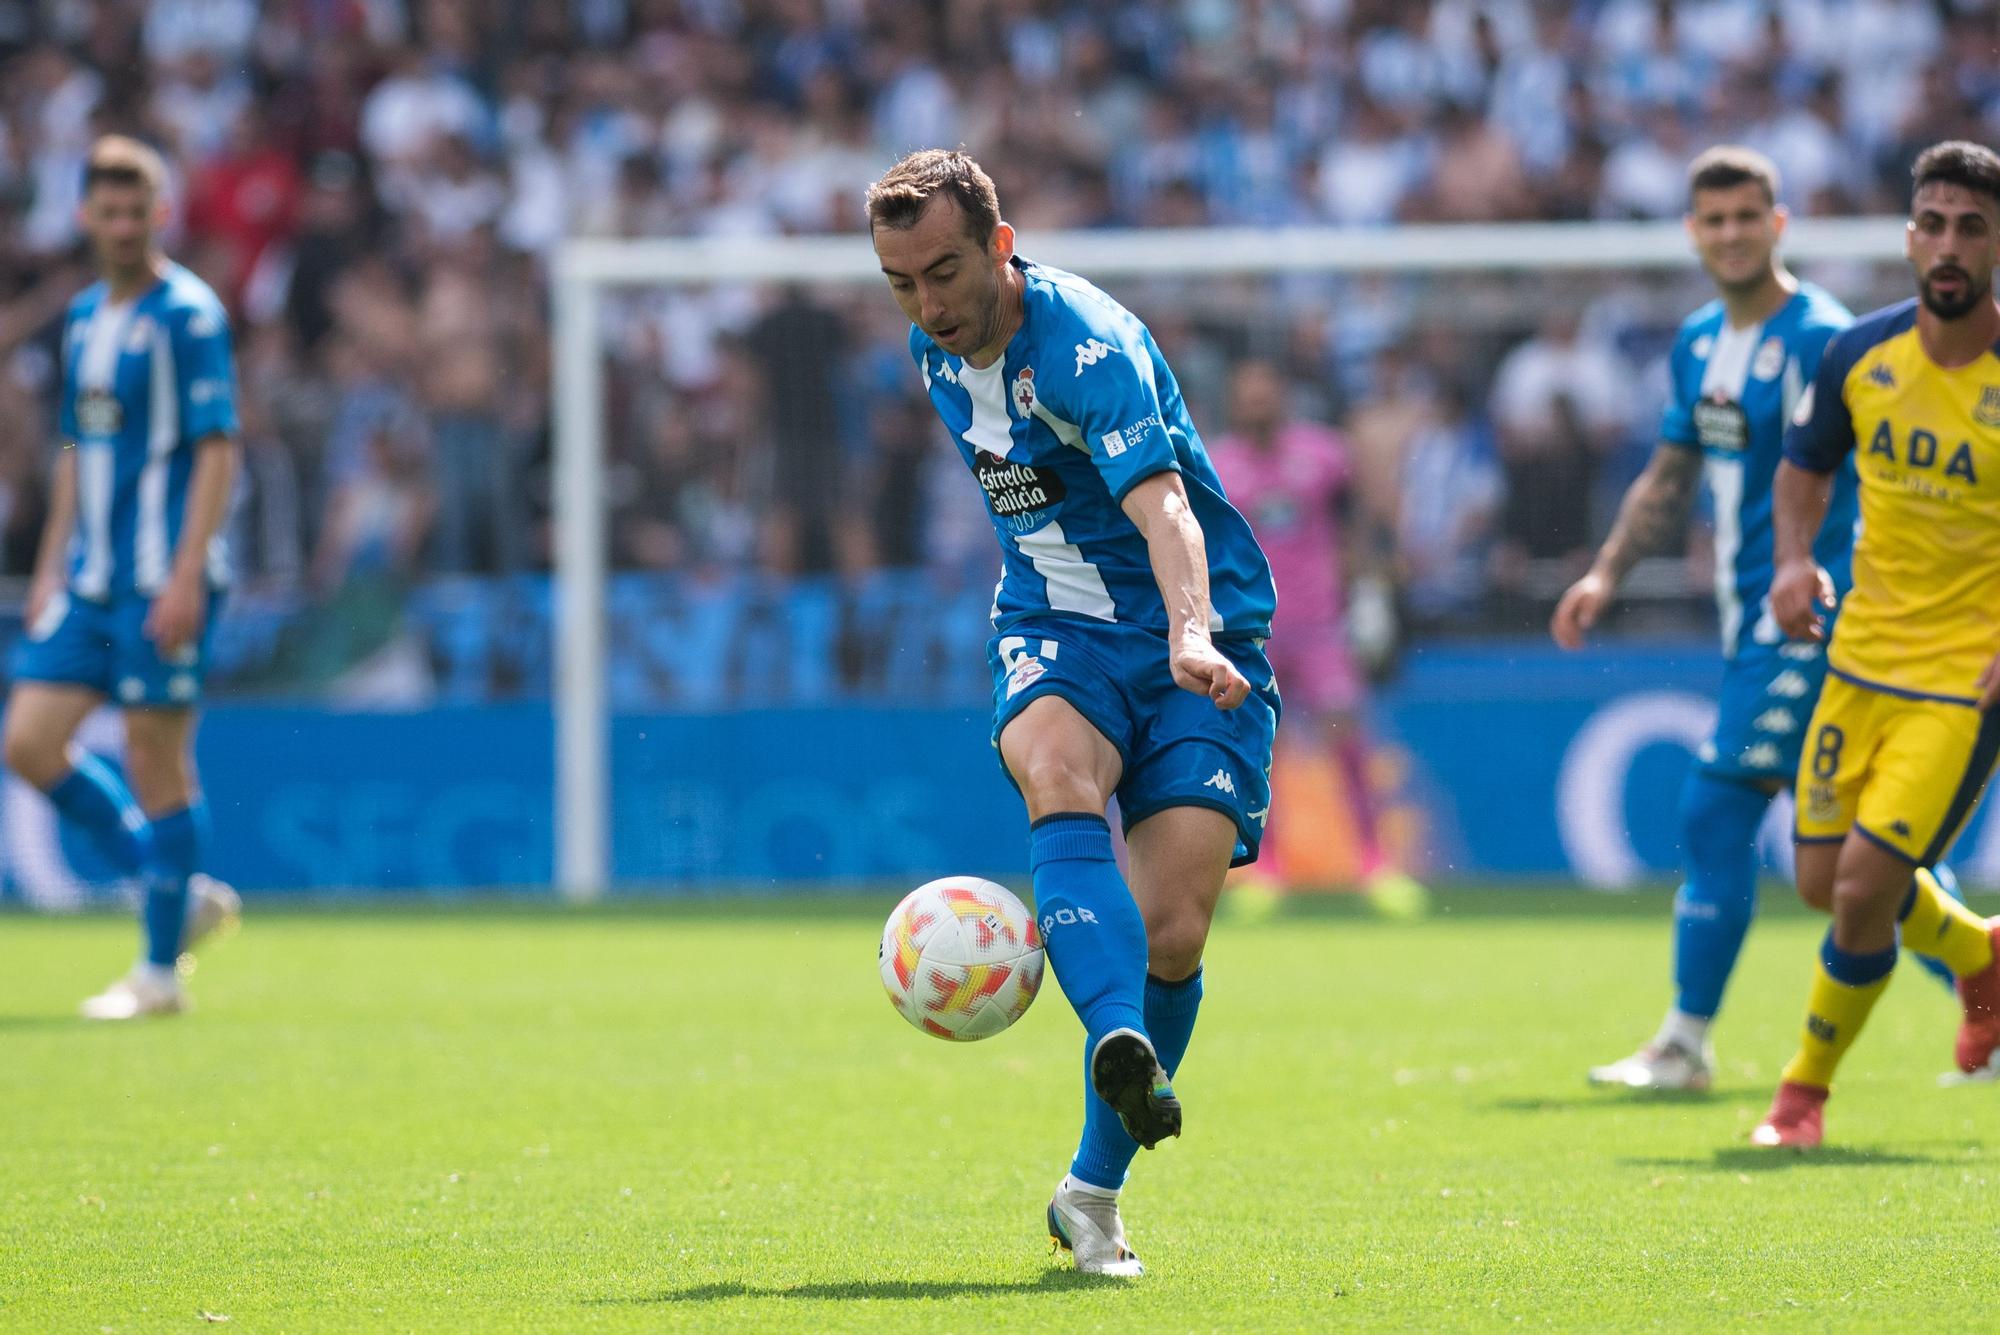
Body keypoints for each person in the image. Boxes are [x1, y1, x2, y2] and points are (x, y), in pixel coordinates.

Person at [867, 150, 1279, 1276]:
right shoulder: (932, 352)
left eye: (945, 272)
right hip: (1052, 622)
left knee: (1175, 932)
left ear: (1001, 246)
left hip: (1198, 634)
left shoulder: (1085, 346)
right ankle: (1115, 1037)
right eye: (903, 283)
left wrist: (1188, 631)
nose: (929, 305)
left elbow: (1168, 513)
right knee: (1056, 771)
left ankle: (1089, 1194)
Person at [1553, 145, 1950, 1091]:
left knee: (1718, 806)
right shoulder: (1698, 342)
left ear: (1778, 226)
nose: (1731, 234)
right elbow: (1671, 473)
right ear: (1694, 233)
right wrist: (1607, 570)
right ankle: (1985, 975)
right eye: (1714, 220)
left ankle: (1685, 1043)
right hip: (1751, 620)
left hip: (1820, 613)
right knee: (1872, 841)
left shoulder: (1822, 335)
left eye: (1747, 218)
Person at [1754, 140, 2000, 1149]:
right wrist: (1789, 560)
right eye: (1931, 224)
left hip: (1960, 684)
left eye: (1970, 228)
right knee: (1820, 882)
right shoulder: (1857, 354)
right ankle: (1977, 954)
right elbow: (1802, 466)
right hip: (1856, 660)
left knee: (1859, 890)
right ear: (1907, 236)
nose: (1946, 246)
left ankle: (1798, 1097)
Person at [2, 136, 242, 1019]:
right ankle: (172, 883)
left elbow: (218, 447)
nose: (122, 225)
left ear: (160, 214)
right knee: (27, 742)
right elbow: (77, 446)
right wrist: (48, 563)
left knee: (154, 755)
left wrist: (185, 573)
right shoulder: (83, 319)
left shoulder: (190, 315)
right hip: (91, 577)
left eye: (137, 210)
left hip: (161, 577)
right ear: (84, 218)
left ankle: (158, 973)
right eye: (107, 211)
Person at [1208, 360, 1428, 913]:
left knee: (1347, 736)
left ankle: (1376, 863)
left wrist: (1373, 588)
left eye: (1266, 395)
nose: (1258, 406)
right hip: (1251, 632)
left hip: (1321, 626)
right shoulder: (1217, 464)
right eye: (1248, 397)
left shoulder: (1324, 455)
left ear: (1283, 398)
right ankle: (1266, 869)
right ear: (1236, 404)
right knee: (1261, 749)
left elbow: (1362, 519)